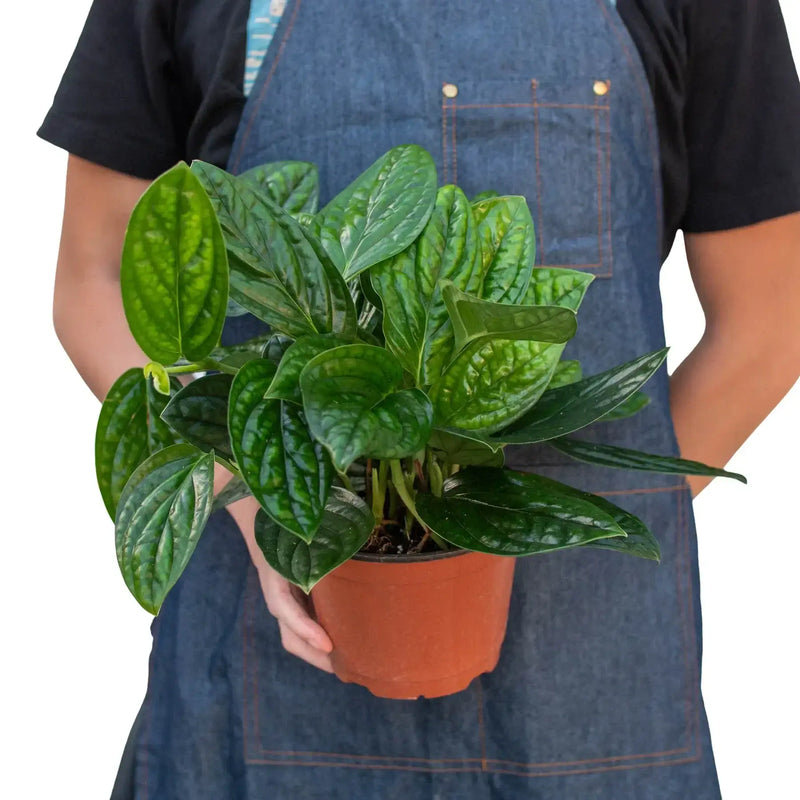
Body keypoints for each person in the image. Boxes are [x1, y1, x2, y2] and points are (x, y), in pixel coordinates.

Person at [39, 0, 800, 797]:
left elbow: (767, 321)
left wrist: (594, 518)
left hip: (587, 678)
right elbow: (94, 281)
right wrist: (264, 507)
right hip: (270, 647)